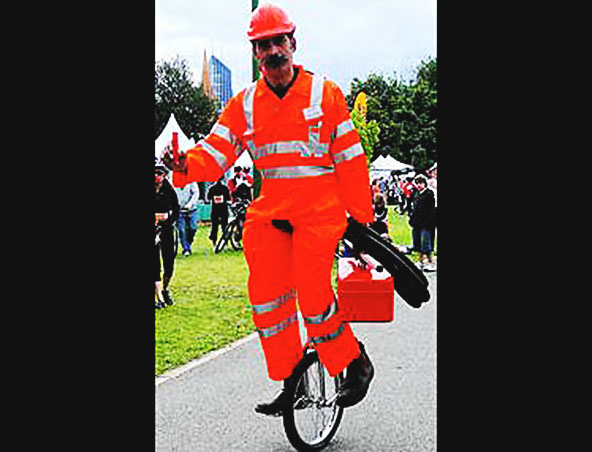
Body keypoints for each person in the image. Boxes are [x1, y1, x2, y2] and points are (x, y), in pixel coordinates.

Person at [163, 3, 374, 416]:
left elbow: (351, 160)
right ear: (255, 52)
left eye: (279, 41)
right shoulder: (244, 104)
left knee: (313, 296)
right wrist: (186, 165)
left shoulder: (324, 93)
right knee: (266, 301)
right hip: (273, 209)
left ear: (293, 43)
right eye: (264, 45)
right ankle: (291, 379)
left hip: (320, 208)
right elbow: (216, 150)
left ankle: (354, 362)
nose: (273, 50)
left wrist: (363, 221)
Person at [155, 158, 180, 308]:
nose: (156, 176)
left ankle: (164, 289)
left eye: (159, 173)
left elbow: (176, 209)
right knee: (155, 264)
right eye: (155, 173)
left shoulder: (169, 190)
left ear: (164, 175)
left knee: (169, 263)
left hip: (167, 229)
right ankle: (158, 294)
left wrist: (168, 217)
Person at [409, 174, 436, 272]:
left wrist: (429, 222)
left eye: (420, 183)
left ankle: (431, 262)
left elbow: (431, 211)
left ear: (425, 183)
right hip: (417, 223)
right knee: (418, 244)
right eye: (417, 183)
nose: (419, 185)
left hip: (427, 223)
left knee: (426, 244)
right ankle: (421, 262)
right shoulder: (417, 194)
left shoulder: (429, 194)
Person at [175, 181, 200, 256]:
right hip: (179, 210)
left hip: (192, 209)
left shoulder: (191, 181)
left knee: (193, 227)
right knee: (181, 229)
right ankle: (186, 248)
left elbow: (196, 193)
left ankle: (188, 242)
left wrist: (190, 204)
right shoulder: (172, 181)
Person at [207, 176, 231, 247]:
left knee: (215, 227)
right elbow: (228, 198)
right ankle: (224, 243)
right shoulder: (225, 188)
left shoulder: (212, 189)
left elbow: (208, 198)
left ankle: (216, 243)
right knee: (224, 226)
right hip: (223, 209)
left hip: (215, 210)